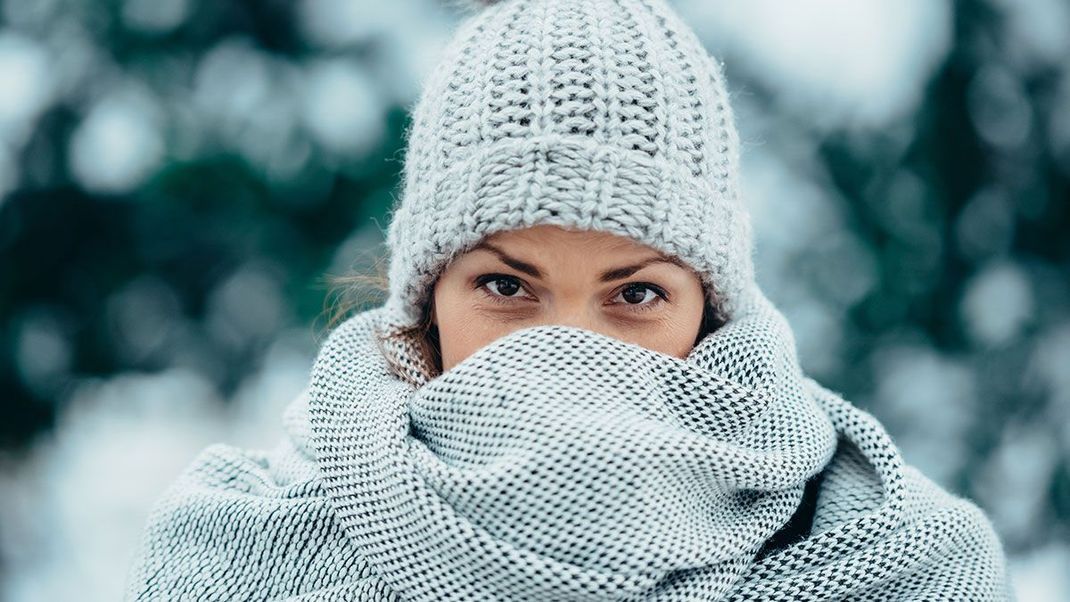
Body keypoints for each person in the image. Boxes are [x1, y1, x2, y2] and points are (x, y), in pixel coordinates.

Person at [125, 0, 1015, 600]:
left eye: (635, 293)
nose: (566, 346)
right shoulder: (238, 553)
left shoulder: (902, 564)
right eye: (506, 286)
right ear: (427, 300)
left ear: (710, 309)